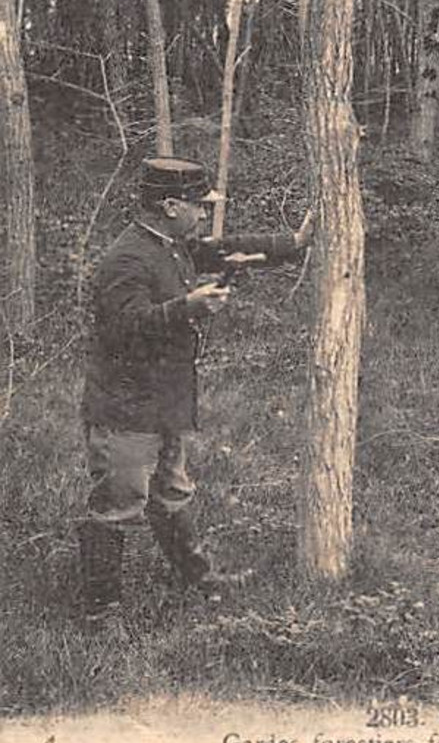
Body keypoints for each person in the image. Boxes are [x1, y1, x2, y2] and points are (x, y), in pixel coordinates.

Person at [79, 157, 313, 627]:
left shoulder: (171, 245)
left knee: (172, 494)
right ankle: (100, 612)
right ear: (169, 206)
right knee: (118, 505)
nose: (203, 214)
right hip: (127, 407)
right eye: (197, 206)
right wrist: (186, 307)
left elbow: (225, 248)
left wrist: (292, 244)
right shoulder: (127, 258)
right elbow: (122, 329)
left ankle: (198, 579)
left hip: (165, 402)